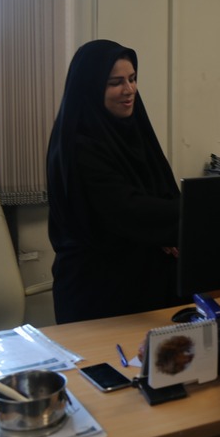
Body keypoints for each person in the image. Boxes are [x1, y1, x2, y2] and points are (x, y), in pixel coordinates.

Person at [47, 40, 183, 324]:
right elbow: (125, 208)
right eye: (115, 83)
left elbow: (161, 193)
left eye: (132, 79)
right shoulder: (78, 146)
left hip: (146, 281)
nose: (129, 89)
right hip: (98, 291)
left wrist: (170, 231)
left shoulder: (135, 133)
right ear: (91, 87)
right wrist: (190, 215)